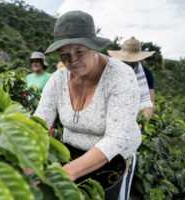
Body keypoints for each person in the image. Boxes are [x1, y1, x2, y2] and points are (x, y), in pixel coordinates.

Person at [34, 11, 141, 200]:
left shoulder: (120, 76)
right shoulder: (58, 79)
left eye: (80, 52)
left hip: (114, 160)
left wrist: (64, 174)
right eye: (64, 55)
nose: (72, 61)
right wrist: (28, 163)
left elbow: (116, 138)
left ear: (94, 47)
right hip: (71, 155)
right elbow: (39, 122)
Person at [108, 37, 155, 118]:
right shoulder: (111, 69)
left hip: (135, 116)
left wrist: (144, 121)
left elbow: (149, 103)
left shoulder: (146, 74)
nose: (128, 63)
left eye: (132, 60)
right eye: (125, 60)